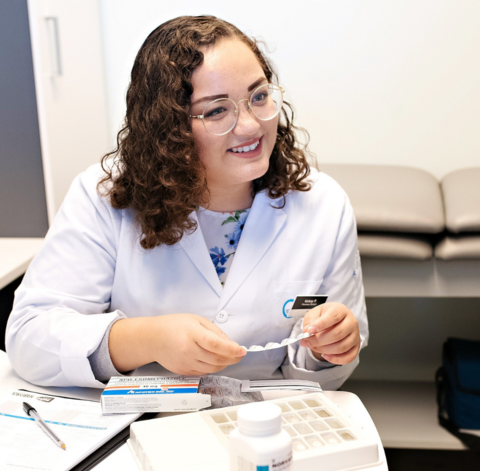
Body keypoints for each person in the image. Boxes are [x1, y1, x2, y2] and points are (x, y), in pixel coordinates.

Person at [6, 16, 368, 391]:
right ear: (169, 128)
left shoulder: (323, 205)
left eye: (258, 97)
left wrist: (328, 349)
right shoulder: (106, 195)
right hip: (143, 422)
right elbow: (29, 338)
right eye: (216, 111)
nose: (250, 126)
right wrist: (146, 339)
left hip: (267, 422)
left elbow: (324, 380)